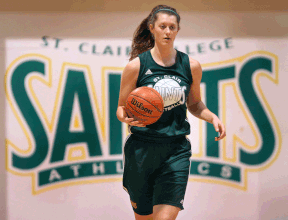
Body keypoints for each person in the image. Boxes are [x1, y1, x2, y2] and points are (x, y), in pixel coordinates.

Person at [116, 5, 226, 220]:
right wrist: (125, 117)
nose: (167, 31)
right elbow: (121, 107)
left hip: (175, 150)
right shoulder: (136, 66)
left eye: (172, 27)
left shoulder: (190, 65)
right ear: (152, 28)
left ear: (177, 31)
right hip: (141, 149)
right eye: (162, 26)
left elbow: (194, 104)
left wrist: (212, 116)